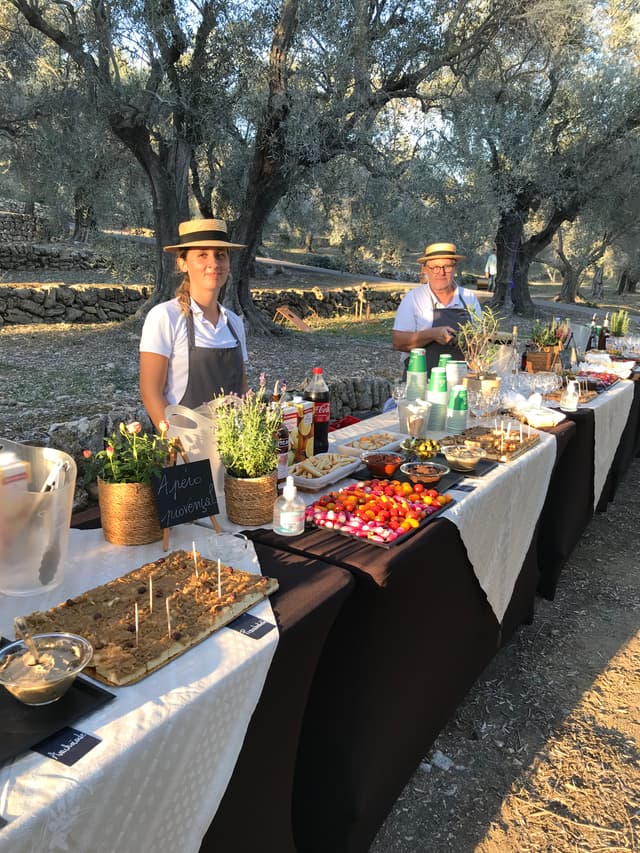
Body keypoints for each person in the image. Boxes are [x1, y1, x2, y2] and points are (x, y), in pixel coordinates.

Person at [140, 218, 249, 428]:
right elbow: (150, 393)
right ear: (182, 263)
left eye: (220, 255)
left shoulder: (234, 323)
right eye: (202, 255)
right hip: (188, 449)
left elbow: (242, 392)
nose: (214, 264)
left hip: (235, 449)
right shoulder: (164, 317)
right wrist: (180, 446)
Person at [392, 241, 481, 373]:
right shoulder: (413, 299)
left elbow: (480, 339)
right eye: (435, 267)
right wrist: (432, 334)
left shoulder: (469, 298)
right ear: (425, 269)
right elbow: (398, 342)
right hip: (421, 383)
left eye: (447, 266)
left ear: (455, 267)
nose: (441, 272)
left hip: (460, 383)